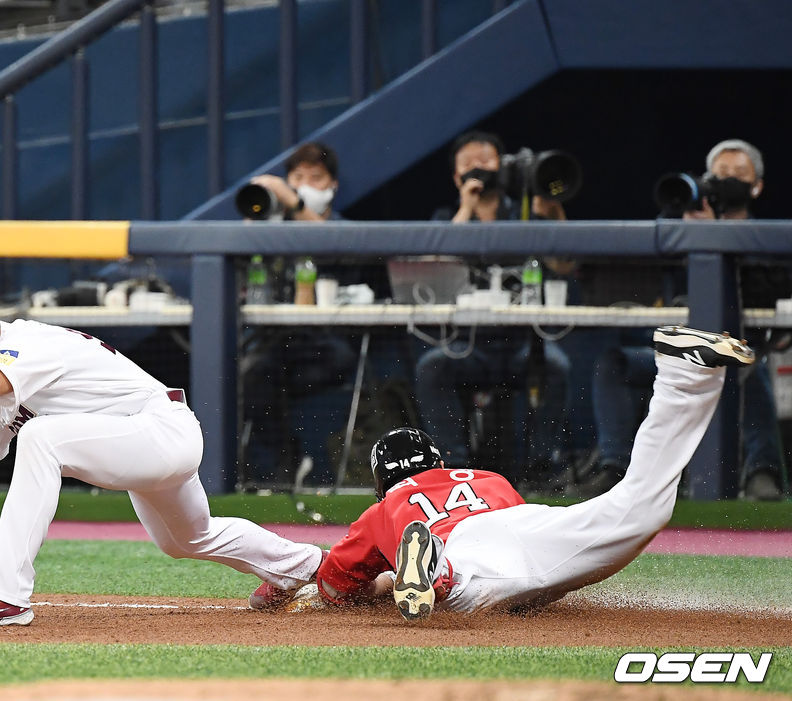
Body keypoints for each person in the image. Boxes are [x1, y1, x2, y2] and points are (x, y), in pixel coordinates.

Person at [0, 277, 324, 626]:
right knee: (188, 538)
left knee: (41, 437)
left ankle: (4, 595)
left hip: (159, 429)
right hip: (139, 441)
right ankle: (317, 569)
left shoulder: (25, 344)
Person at [305, 326, 753, 619]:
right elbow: (521, 545)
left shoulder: (385, 508)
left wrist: (377, 583)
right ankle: (684, 374)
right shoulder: (484, 477)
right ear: (438, 462)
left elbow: (335, 586)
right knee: (639, 508)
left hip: (463, 548)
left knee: (466, 593)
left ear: (381, 482)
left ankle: (438, 571)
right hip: (524, 521)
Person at [587, 139, 789, 500]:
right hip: (673, 354)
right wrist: (693, 228)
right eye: (719, 174)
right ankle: (614, 467)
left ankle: (763, 472)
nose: (726, 181)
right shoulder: (683, 221)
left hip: (733, 352)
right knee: (613, 363)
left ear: (756, 185)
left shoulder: (767, 238)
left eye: (738, 175)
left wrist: (721, 234)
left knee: (748, 364)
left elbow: (769, 292)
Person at [414, 131, 571, 489]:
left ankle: (542, 467)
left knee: (557, 367)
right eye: (468, 164)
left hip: (523, 345)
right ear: (456, 178)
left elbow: (564, 265)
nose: (479, 169)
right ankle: (452, 471)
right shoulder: (447, 218)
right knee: (432, 367)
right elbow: (436, 269)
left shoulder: (526, 212)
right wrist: (466, 209)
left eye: (486, 161)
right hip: (468, 346)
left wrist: (553, 211)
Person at [240, 142, 360, 487]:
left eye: (316, 178)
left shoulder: (341, 229)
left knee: (267, 374)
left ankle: (290, 463)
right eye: (297, 177)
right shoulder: (276, 229)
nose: (305, 184)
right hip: (275, 342)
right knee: (253, 372)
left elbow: (328, 241)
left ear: (333, 185)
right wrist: (257, 215)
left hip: (330, 344)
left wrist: (292, 200)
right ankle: (284, 461)